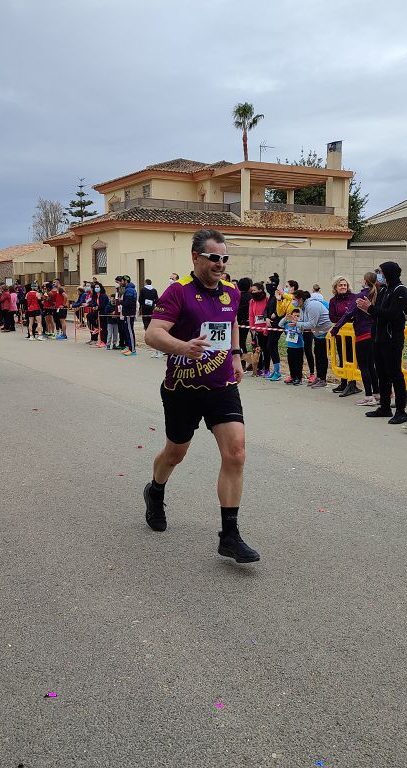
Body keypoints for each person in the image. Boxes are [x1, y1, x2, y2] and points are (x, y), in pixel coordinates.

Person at [143, 229, 258, 563]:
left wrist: (236, 355)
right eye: (213, 258)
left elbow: (232, 321)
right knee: (175, 453)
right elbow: (153, 334)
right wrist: (184, 347)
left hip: (221, 386)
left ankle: (230, 535)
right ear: (196, 257)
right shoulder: (178, 292)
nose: (220, 264)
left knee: (236, 453)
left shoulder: (232, 292)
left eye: (224, 258)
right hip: (182, 389)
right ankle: (156, 490)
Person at [358, 261, 407, 424]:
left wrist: (371, 308)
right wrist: (368, 309)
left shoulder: (400, 290)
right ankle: (385, 407)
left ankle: (401, 411)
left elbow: (393, 314)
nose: (378, 274)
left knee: (395, 374)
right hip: (378, 339)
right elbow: (378, 314)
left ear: (388, 273)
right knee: (382, 374)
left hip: (391, 340)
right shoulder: (384, 290)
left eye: (380, 271)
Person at [333, 272, 379, 407]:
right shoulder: (376, 294)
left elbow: (348, 314)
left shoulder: (360, 296)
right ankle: (377, 393)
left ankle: (369, 396)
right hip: (374, 333)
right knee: (371, 366)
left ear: (364, 281)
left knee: (364, 366)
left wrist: (336, 329)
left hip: (363, 334)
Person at [294, 289, 332, 388]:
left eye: (294, 299)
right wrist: (297, 321)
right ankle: (319, 377)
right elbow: (303, 321)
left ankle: (323, 379)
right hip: (318, 333)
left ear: (300, 299)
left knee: (322, 356)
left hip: (325, 333)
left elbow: (311, 323)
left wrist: (297, 324)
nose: (293, 302)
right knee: (318, 355)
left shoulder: (312, 306)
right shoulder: (303, 307)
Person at [328, 276, 359, 397]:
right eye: (340, 285)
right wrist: (345, 319)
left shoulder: (354, 297)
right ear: (336, 287)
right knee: (342, 357)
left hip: (353, 333)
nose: (343, 287)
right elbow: (332, 317)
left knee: (352, 358)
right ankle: (343, 382)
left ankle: (352, 383)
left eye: (345, 285)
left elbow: (356, 314)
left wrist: (344, 319)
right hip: (340, 334)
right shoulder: (333, 301)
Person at [247, 282, 271, 376]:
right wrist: (252, 328)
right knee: (258, 350)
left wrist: (266, 328)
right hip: (256, 330)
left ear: (260, 290)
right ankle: (259, 367)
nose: (252, 292)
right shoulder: (252, 301)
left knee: (266, 350)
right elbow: (251, 315)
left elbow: (267, 315)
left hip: (266, 329)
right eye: (252, 290)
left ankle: (267, 369)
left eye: (254, 290)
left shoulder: (267, 299)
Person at [279, 307, 306, 385]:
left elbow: (300, 330)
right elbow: (280, 324)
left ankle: (299, 378)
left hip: (299, 347)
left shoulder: (300, 325)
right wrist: (286, 318)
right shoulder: (288, 324)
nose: (296, 317)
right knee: (291, 362)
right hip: (290, 346)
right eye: (294, 315)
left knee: (298, 363)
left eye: (298, 316)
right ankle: (293, 376)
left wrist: (297, 322)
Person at [139, 279, 160, 355]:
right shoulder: (154, 290)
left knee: (145, 321)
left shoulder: (143, 290)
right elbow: (157, 299)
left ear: (145, 283)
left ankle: (148, 333)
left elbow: (140, 299)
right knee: (151, 320)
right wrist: (153, 303)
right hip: (151, 307)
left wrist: (141, 305)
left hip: (144, 307)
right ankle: (150, 332)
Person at [120, 275, 137, 355]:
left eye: (121, 281)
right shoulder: (128, 289)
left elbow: (128, 303)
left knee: (130, 331)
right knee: (127, 331)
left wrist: (121, 302)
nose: (120, 283)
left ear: (125, 281)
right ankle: (130, 348)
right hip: (128, 313)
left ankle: (132, 350)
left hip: (129, 313)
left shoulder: (129, 290)